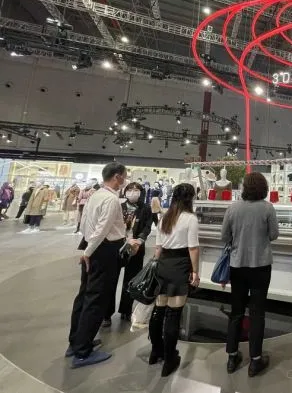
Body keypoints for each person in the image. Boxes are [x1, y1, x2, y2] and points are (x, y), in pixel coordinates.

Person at [66, 162, 139, 368]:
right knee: (96, 299)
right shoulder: (111, 199)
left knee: (84, 296)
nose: (125, 180)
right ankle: (83, 352)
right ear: (117, 177)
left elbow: (85, 224)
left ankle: (76, 341)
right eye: (124, 176)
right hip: (103, 251)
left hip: (93, 248)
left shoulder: (95, 195)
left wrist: (88, 248)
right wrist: (89, 252)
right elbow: (103, 229)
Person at [222, 172, 279, 377]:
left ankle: (232, 357)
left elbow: (224, 236)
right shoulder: (267, 208)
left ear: (244, 187)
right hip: (261, 266)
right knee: (257, 313)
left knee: (236, 311)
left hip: (237, 266)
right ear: (264, 188)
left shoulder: (233, 208)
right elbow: (274, 234)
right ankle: (255, 360)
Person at [149, 183, 200, 377]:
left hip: (163, 264)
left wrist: (155, 265)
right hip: (179, 266)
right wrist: (195, 271)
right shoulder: (190, 219)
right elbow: (193, 248)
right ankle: (169, 359)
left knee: (158, 310)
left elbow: (158, 247)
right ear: (190, 198)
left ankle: (156, 351)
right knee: (173, 314)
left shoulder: (165, 217)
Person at [104, 182, 154, 325]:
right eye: (130, 189)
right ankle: (106, 314)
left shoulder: (146, 208)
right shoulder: (119, 206)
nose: (133, 192)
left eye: (136, 189)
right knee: (111, 279)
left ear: (141, 192)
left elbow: (148, 226)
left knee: (131, 279)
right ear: (125, 192)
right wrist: (124, 239)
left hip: (136, 248)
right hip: (118, 246)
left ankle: (126, 310)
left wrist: (139, 240)